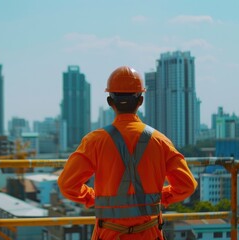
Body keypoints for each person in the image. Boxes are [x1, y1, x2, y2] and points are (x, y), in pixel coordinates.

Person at [57, 66, 198, 240]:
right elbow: (187, 185)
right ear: (141, 101)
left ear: (110, 102)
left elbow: (67, 184)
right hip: (149, 234)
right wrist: (159, 197)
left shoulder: (94, 141)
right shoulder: (160, 141)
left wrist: (96, 198)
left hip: (109, 234)